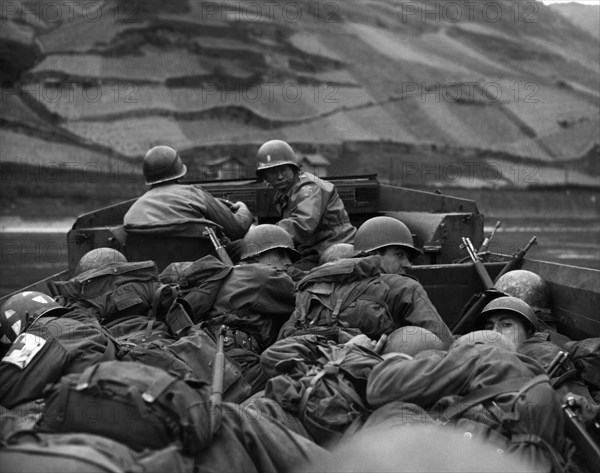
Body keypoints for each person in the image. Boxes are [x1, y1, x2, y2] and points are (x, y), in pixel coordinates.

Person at [201, 224, 299, 393]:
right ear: (256, 256)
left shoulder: (237, 273)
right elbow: (307, 293)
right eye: (280, 254)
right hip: (238, 368)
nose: (288, 262)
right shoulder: (263, 275)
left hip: (214, 360)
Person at [0, 291, 119, 408]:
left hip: (94, 404)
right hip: (110, 396)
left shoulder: (43, 330)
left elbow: (6, 387)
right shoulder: (84, 324)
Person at [255, 140, 356, 270]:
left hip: (334, 248)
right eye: (272, 172)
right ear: (265, 177)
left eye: (283, 170)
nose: (279, 176)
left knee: (284, 276)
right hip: (315, 249)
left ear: (293, 169)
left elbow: (302, 224)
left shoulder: (308, 188)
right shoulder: (287, 192)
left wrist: (263, 235)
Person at [353, 216, 454, 345]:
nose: (408, 264)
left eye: (407, 257)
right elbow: (443, 341)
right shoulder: (406, 288)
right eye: (399, 255)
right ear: (375, 255)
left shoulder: (333, 282)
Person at [124, 145, 253, 240]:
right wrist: (243, 209)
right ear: (180, 173)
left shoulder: (132, 213)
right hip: (206, 269)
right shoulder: (194, 195)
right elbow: (237, 230)